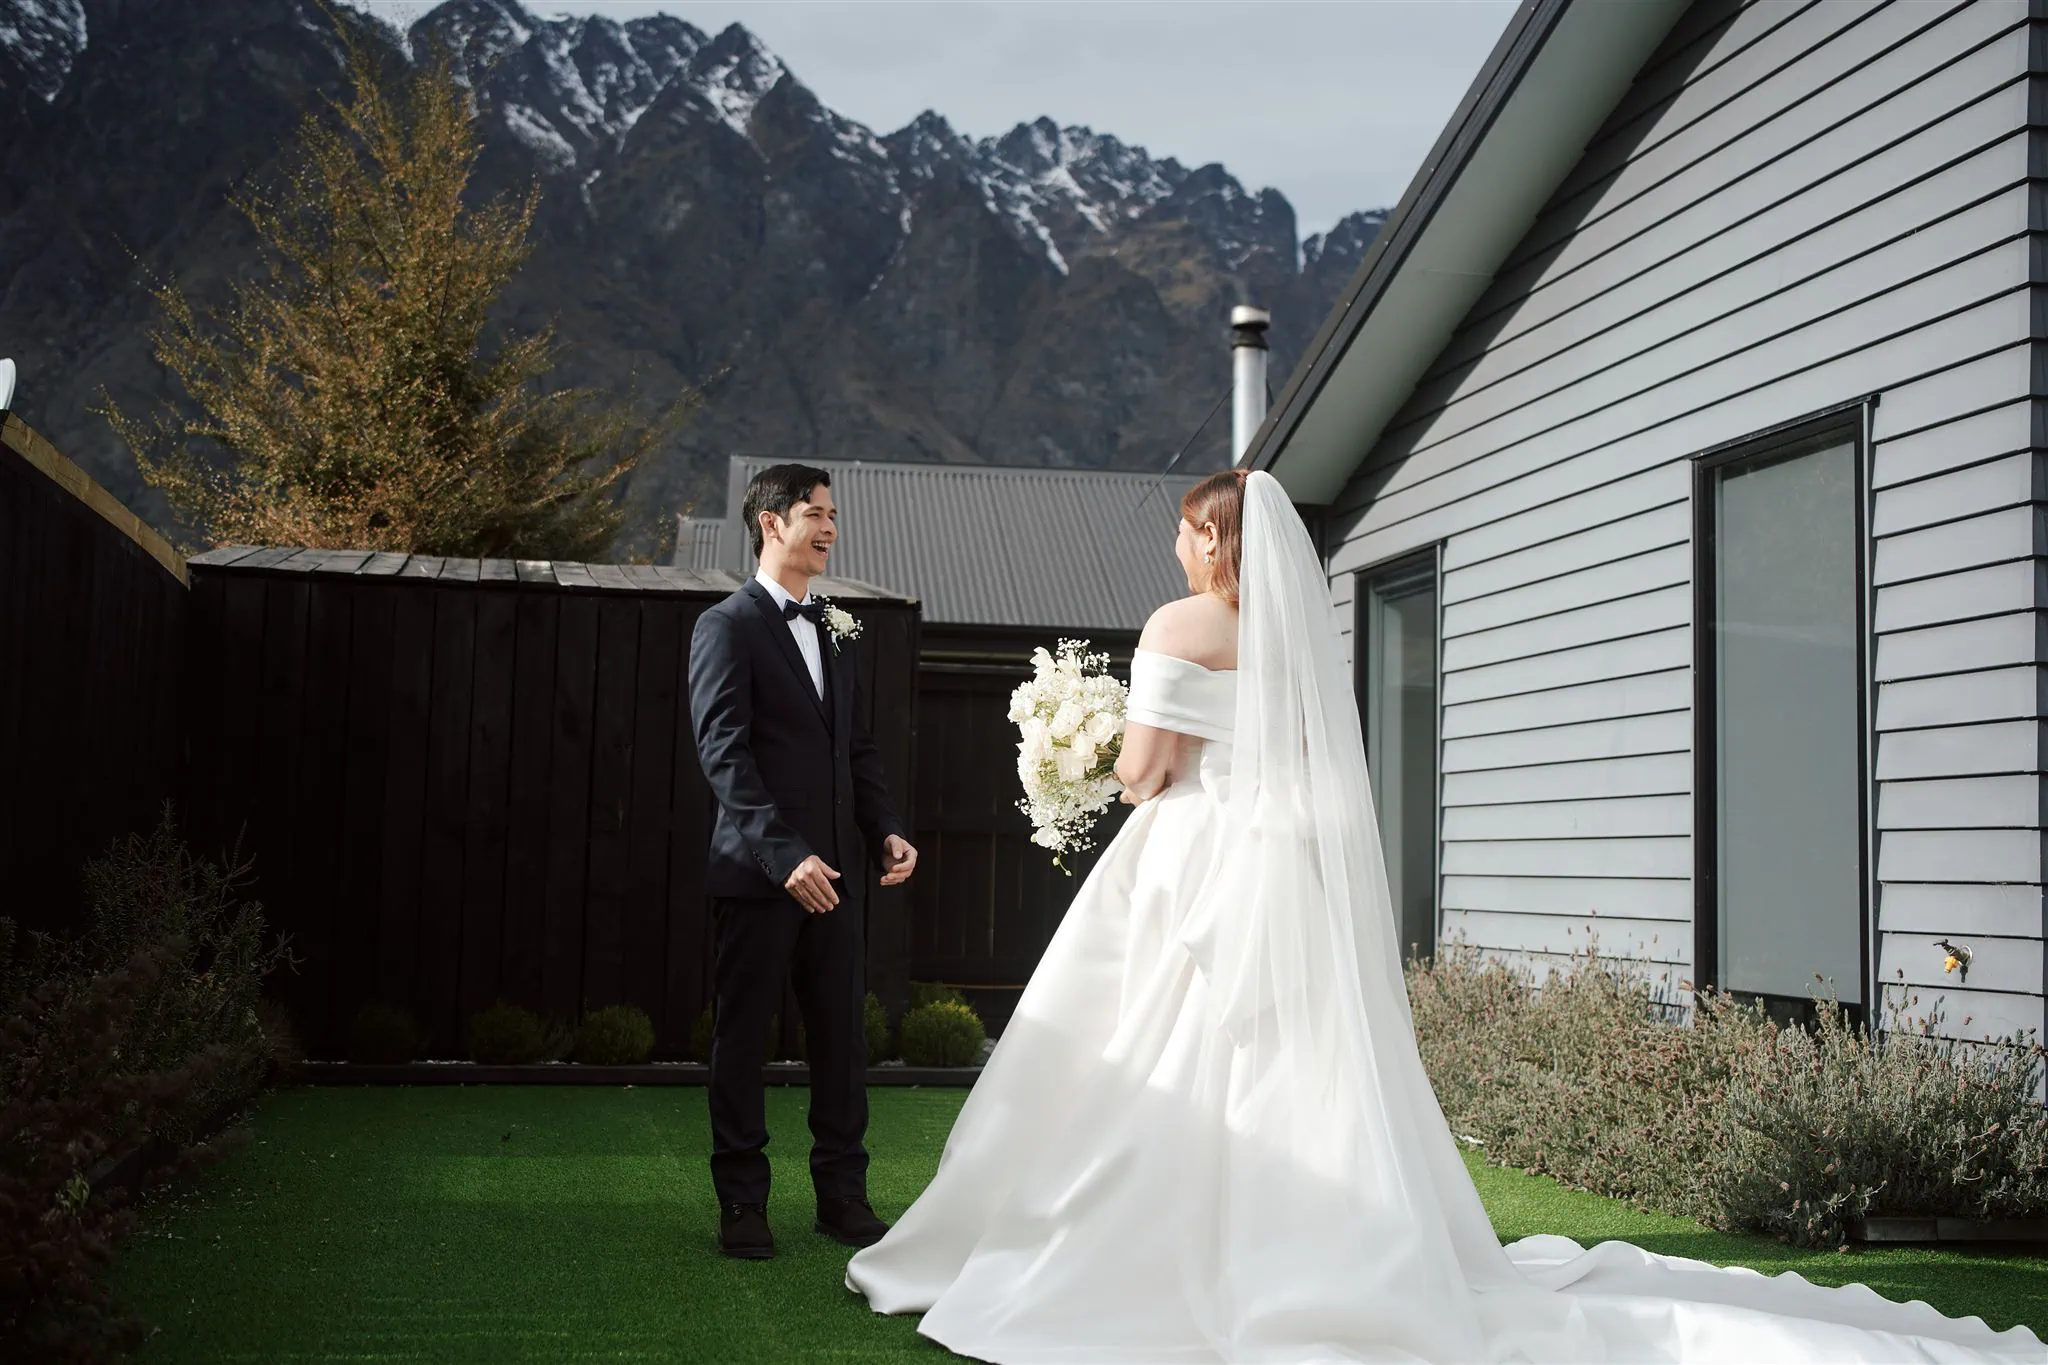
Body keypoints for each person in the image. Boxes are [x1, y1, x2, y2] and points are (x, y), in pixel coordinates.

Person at [845, 467, 2042, 1362]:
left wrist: (1091, 752)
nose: (1171, 545)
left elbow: (1149, 774)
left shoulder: (1177, 628)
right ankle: (1320, 1250)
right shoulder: (1293, 639)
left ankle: (1150, 1250)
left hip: (1188, 858)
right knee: (1290, 1059)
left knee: (1149, 1047)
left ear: (1209, 538)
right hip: (1281, 874)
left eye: (1178, 527)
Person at [688, 462, 918, 1261]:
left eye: (832, 514)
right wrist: (785, 855)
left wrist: (883, 824)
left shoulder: (839, 629)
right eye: (814, 513)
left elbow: (855, 745)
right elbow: (725, 755)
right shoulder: (726, 625)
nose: (828, 526)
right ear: (770, 523)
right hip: (758, 878)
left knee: (841, 1043)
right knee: (743, 1041)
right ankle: (743, 1204)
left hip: (838, 881)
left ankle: (842, 1197)